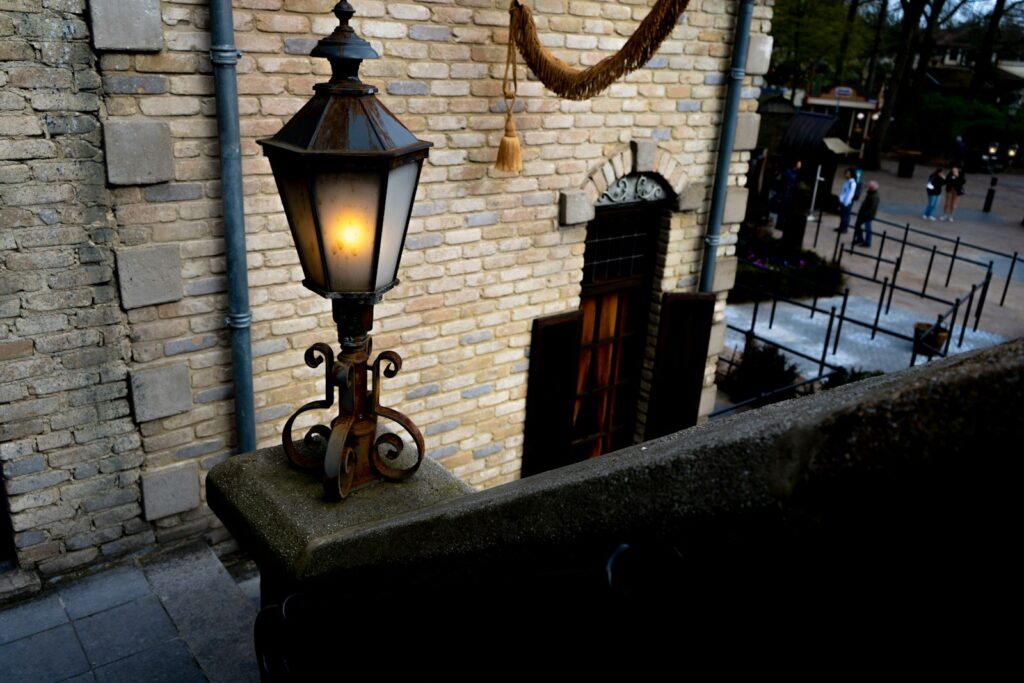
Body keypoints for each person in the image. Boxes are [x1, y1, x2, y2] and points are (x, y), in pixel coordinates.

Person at [853, 180, 879, 247]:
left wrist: (866, 214)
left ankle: (867, 242)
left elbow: (872, 207)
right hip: (865, 214)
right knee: (858, 225)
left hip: (867, 215)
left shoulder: (874, 196)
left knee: (867, 228)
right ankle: (860, 239)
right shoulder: (871, 194)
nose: (867, 188)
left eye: (869, 187)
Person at [835, 168, 857, 233]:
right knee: (842, 215)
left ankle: (844, 228)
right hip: (843, 201)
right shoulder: (847, 181)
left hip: (846, 202)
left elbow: (850, 194)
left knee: (845, 216)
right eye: (846, 173)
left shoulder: (852, 183)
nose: (846, 175)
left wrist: (846, 202)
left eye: (848, 174)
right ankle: (841, 227)